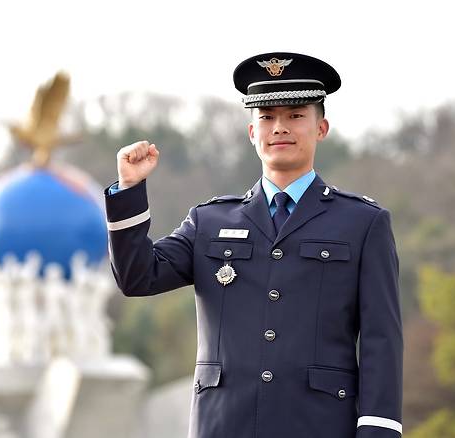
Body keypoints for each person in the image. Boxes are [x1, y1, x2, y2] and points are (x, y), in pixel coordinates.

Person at [104, 52, 403, 438]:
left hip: (320, 425)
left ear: (322, 127)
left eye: (295, 116)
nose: (280, 127)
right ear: (251, 133)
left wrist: (379, 430)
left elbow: (382, 339)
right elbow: (137, 276)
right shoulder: (208, 221)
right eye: (267, 117)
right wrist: (129, 189)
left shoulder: (363, 223)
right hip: (224, 424)